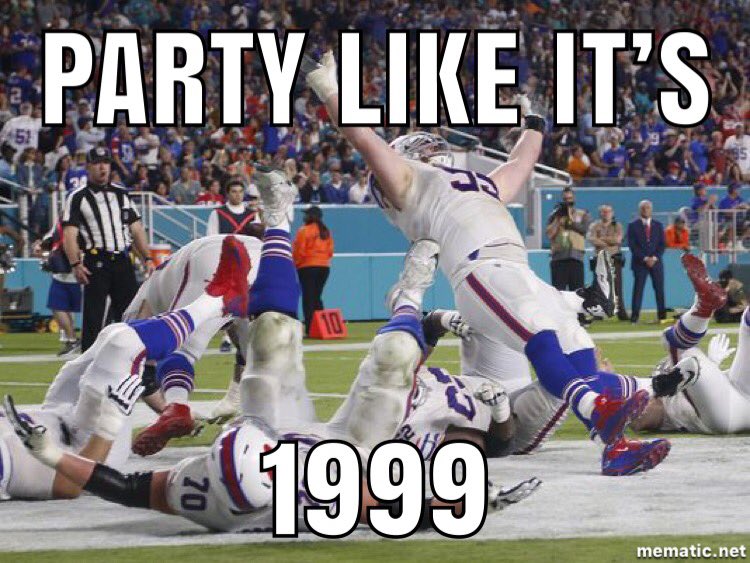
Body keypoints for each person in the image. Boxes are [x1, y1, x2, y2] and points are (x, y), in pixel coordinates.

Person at [4, 217, 539, 528]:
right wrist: (459, 501)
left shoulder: (204, 487)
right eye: (265, 451)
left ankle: (256, 251)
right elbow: (389, 505)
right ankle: (406, 293)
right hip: (346, 448)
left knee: (137, 341)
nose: (263, 441)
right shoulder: (303, 493)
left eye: (244, 440)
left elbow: (123, 488)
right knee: (388, 356)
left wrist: (53, 452)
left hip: (71, 429)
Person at [304, 51, 657, 460]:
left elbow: (521, 161)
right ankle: (601, 416)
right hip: (481, 269)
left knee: (576, 343)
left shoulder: (475, 184)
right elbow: (363, 138)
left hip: (519, 270)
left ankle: (615, 442)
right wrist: (329, 89)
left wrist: (535, 123)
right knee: (540, 336)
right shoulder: (413, 184)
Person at [0, 234, 251, 501]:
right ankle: (217, 300)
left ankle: (173, 393)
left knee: (112, 334)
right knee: (122, 345)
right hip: (86, 448)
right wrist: (109, 422)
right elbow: (69, 485)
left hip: (52, 414)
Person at [61, 146, 154, 352]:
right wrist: (75, 263)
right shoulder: (78, 197)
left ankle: (133, 359)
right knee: (94, 317)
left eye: (106, 163)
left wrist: (147, 257)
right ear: (88, 167)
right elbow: (69, 234)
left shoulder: (121, 194)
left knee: (131, 313)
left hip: (122, 259)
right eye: (97, 163)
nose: (102, 167)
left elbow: (136, 228)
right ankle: (89, 362)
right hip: (96, 261)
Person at [206, 176, 265, 353]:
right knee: (228, 302)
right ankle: (227, 337)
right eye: (234, 191)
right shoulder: (217, 213)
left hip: (248, 266)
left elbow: (258, 240)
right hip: (226, 264)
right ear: (227, 193)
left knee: (247, 302)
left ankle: (248, 339)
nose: (237, 195)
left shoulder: (252, 214)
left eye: (240, 192)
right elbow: (211, 239)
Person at [37, 222, 81, 356]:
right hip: (69, 271)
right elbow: (47, 241)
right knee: (59, 307)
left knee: (59, 307)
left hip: (73, 271)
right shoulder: (65, 223)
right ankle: (75, 340)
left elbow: (46, 241)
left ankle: (74, 340)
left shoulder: (65, 222)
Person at [293, 205, 333, 335]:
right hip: (324, 267)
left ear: (310, 217)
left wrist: (296, 264)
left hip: (307, 267)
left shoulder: (304, 230)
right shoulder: (326, 231)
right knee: (317, 297)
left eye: (306, 214)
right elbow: (330, 251)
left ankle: (310, 328)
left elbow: (299, 251)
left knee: (308, 299)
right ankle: (323, 328)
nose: (304, 217)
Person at [546, 187, 590, 299]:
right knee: (558, 293)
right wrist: (558, 218)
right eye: (565, 199)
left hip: (576, 257)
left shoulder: (582, 214)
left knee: (577, 293)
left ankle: (578, 311)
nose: (567, 202)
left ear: (574, 199)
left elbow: (583, 230)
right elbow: (550, 234)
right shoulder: (554, 216)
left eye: (570, 199)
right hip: (559, 258)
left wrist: (570, 218)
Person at [627, 200, 666, 324]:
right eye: (643, 208)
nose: (645, 210)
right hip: (640, 263)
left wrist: (654, 258)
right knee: (638, 290)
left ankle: (662, 316)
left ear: (651, 209)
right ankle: (635, 317)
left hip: (656, 263)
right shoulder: (633, 226)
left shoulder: (658, 225)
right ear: (639, 210)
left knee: (659, 289)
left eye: (648, 207)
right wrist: (645, 258)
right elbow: (633, 246)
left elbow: (662, 244)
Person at [587, 205, 627, 320]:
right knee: (598, 287)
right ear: (600, 213)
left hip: (614, 258)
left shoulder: (617, 226)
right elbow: (591, 239)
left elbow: (618, 240)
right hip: (600, 259)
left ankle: (621, 313)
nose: (605, 214)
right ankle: (598, 314)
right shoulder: (595, 225)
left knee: (617, 287)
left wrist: (602, 239)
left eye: (608, 212)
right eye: (603, 212)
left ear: (612, 213)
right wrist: (609, 241)